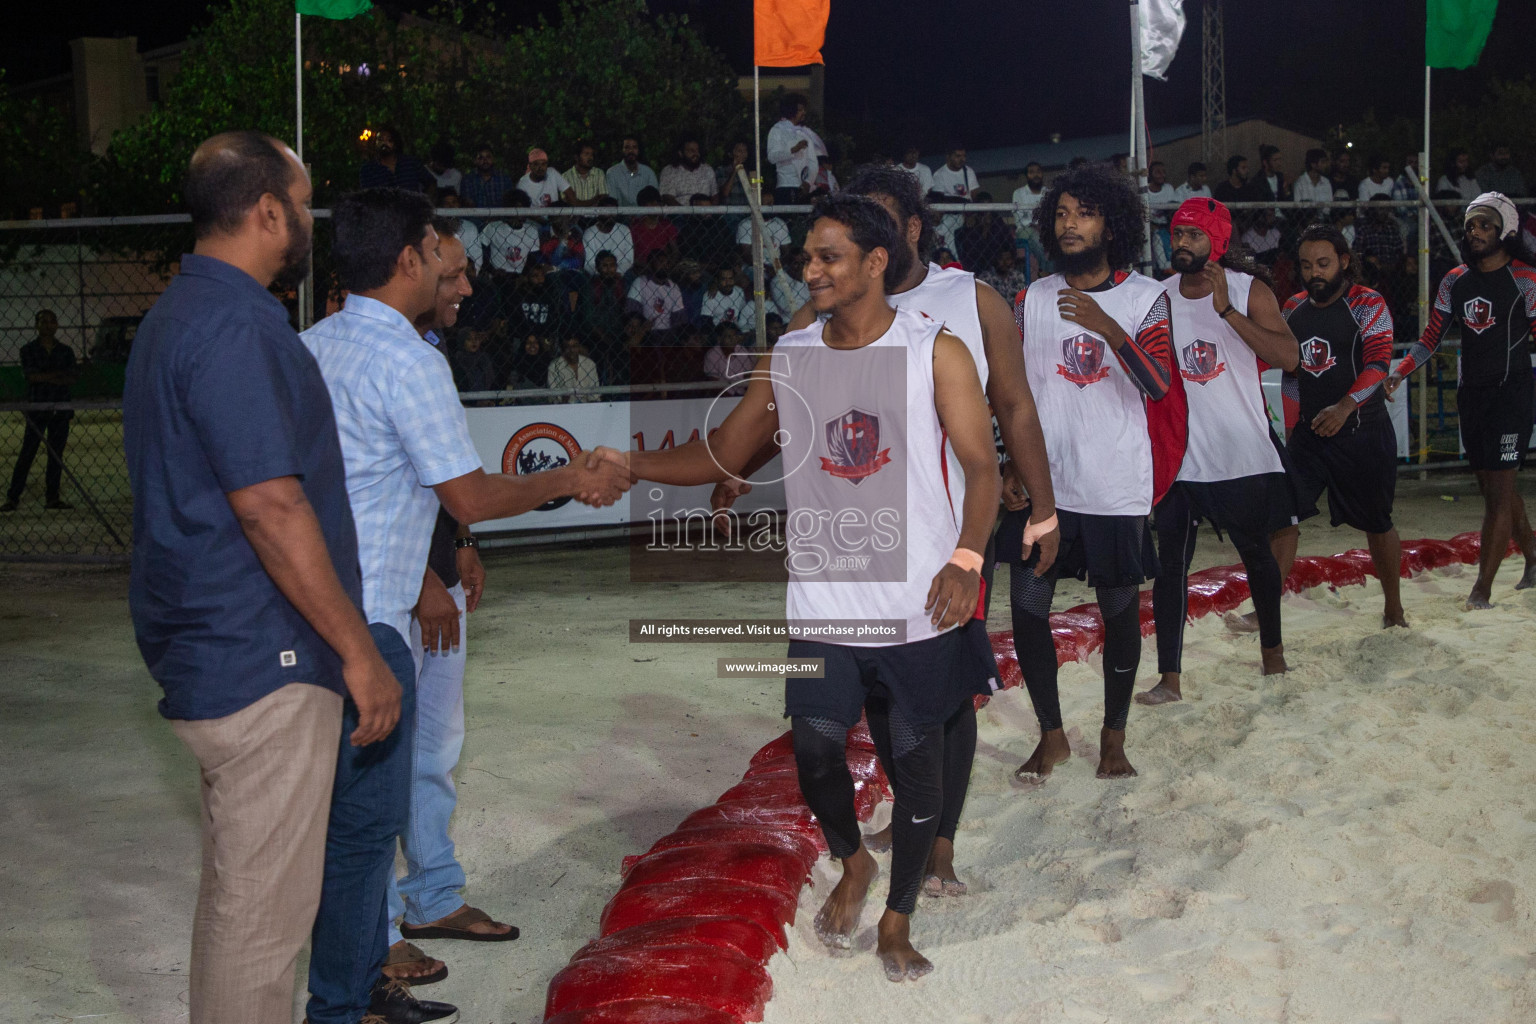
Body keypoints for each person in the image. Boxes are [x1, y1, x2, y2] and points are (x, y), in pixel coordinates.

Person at [607, 192, 1001, 981]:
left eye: (827, 257)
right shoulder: (792, 353)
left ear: (875, 261)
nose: (809, 270)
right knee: (817, 753)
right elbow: (725, 450)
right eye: (807, 257)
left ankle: (898, 916)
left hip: (915, 602)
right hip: (823, 598)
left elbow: (984, 467)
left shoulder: (937, 349)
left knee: (918, 763)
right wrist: (629, 465)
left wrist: (966, 560)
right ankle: (852, 861)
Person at [299, 187, 631, 1024]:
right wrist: (570, 477)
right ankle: (347, 998)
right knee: (364, 825)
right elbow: (472, 496)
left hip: (312, 606)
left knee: (345, 812)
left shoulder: (310, 344)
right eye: (444, 260)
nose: (464, 284)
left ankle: (359, 977)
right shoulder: (410, 361)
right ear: (409, 258)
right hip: (371, 615)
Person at [122, 130, 401, 1024]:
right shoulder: (236, 324)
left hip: (212, 646)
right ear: (270, 210)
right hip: (261, 657)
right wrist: (359, 654)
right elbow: (271, 509)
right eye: (305, 200)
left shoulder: (176, 313)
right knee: (262, 918)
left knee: (241, 896)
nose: (311, 218)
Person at [732, 166, 1061, 894]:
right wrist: (734, 461)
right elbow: (781, 414)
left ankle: (938, 839)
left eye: (874, 222)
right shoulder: (807, 330)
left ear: (904, 234)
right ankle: (906, 829)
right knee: (870, 708)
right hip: (842, 571)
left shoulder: (965, 304)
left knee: (948, 701)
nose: (822, 263)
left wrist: (1039, 509)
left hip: (939, 549)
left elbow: (1014, 408)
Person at [1007, 163, 1183, 778]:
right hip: (1047, 485)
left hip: (1113, 484)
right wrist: (1012, 464)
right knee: (1027, 607)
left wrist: (1108, 326)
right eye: (1060, 214)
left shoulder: (1145, 298)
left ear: (1113, 224)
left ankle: (1113, 737)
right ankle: (1052, 735)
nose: (1069, 224)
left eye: (1083, 213)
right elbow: (1016, 392)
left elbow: (1159, 383)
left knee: (1117, 611)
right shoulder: (1031, 299)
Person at [381, 219, 512, 989]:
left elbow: (441, 474)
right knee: (375, 770)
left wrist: (459, 540)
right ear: (415, 263)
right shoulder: (363, 355)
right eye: (454, 272)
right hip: (396, 595)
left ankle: (432, 896)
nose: (465, 286)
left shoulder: (427, 354)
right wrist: (425, 580)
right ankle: (375, 934)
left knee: (435, 753)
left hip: (436, 578)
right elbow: (360, 492)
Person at [1136, 198, 1299, 708]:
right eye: (1177, 232)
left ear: (1217, 242)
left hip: (1238, 454)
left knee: (1255, 554)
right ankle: (1170, 678)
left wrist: (1226, 309)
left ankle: (1272, 652)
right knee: (1170, 568)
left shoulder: (1251, 290)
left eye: (1194, 234)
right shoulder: (1154, 295)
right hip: (1179, 455)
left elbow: (1289, 357)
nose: (1182, 242)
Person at [1386, 192, 1536, 606]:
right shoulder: (1455, 281)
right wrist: (1398, 372)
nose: (1475, 232)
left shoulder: (1526, 278)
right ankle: (1535, 557)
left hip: (1513, 396)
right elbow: (1430, 338)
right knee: (1493, 488)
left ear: (1505, 230)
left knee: (1502, 489)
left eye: (1484, 225)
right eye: (1470, 226)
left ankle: (1481, 589)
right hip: (1472, 398)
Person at [1280, 224, 1407, 627]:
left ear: (1344, 262)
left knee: (1377, 521)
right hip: (1310, 434)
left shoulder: (1368, 303)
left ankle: (1394, 608)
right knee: (1282, 515)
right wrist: (1291, 425)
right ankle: (1264, 606)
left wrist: (1346, 406)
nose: (1314, 273)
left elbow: (1377, 363)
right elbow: (1289, 373)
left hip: (1362, 432)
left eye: (1323, 263)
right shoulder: (1291, 308)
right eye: (1306, 265)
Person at [3, 309, 77, 511]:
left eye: (52, 321)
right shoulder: (28, 350)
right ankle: (13, 497)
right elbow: (31, 377)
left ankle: (52, 497)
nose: (48, 325)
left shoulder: (65, 351)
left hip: (60, 408)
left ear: (56, 325)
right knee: (27, 453)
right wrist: (57, 376)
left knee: (56, 455)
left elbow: (71, 378)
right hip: (38, 408)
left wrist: (45, 376)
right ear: (36, 325)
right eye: (43, 321)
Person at [765, 94, 813, 205]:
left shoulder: (803, 132)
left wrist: (809, 181)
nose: (803, 113)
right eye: (800, 110)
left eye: (804, 109)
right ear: (791, 111)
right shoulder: (777, 130)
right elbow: (772, 157)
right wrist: (793, 150)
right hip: (786, 186)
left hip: (804, 187)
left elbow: (810, 160)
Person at [480, 190, 540, 277]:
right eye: (517, 209)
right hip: (498, 275)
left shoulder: (532, 230)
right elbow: (480, 252)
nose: (520, 213)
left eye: (523, 209)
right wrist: (492, 270)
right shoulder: (493, 227)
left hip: (521, 275)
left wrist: (524, 275)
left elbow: (532, 257)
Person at [360, 127, 435, 194]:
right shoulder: (368, 169)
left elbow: (431, 182)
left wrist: (427, 203)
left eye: (389, 140)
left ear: (395, 144)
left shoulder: (411, 163)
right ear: (375, 143)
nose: (384, 143)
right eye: (380, 140)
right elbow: (367, 196)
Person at [582, 197, 634, 276]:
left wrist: (618, 272)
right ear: (599, 212)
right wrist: (602, 274)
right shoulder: (590, 233)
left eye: (613, 211)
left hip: (620, 273)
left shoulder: (624, 230)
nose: (610, 214)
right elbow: (589, 264)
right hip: (598, 274)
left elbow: (629, 260)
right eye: (607, 211)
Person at [629, 186, 679, 266]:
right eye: (652, 203)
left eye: (658, 203)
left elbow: (675, 251)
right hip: (641, 268)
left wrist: (669, 265)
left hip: (663, 267)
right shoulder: (635, 227)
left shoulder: (666, 225)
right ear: (643, 206)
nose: (656, 205)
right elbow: (631, 255)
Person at [659, 138, 716, 205]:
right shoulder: (669, 171)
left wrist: (712, 212)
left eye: (697, 150)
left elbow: (715, 196)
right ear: (681, 153)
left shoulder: (707, 170)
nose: (696, 154)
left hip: (705, 213)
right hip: (679, 214)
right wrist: (686, 214)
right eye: (691, 151)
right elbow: (668, 198)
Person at [606, 135, 659, 206]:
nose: (631, 151)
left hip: (645, 215)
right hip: (621, 215)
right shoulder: (612, 173)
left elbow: (654, 201)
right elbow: (613, 202)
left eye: (634, 147)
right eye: (627, 147)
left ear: (638, 150)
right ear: (622, 150)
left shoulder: (648, 172)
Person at [547, 334, 603, 400]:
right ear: (562, 348)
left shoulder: (589, 364)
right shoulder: (554, 366)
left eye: (574, 346)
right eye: (567, 347)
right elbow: (554, 398)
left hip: (587, 407)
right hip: (564, 408)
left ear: (579, 347)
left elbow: (595, 396)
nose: (571, 350)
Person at [564, 141, 606, 206]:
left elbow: (603, 197)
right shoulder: (566, 176)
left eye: (592, 154)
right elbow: (567, 201)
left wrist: (578, 203)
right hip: (574, 215)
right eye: (586, 154)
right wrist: (594, 200)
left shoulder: (599, 173)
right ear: (576, 157)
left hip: (595, 215)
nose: (590, 158)